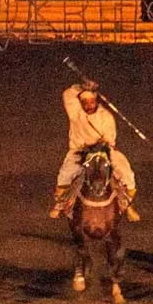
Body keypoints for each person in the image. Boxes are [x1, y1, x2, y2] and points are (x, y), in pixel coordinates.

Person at [50, 81, 140, 222]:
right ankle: (60, 204)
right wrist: (82, 87)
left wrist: (100, 146)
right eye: (85, 102)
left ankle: (127, 205)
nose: (88, 106)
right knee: (65, 174)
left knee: (126, 172)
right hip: (79, 150)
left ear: (96, 101)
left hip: (103, 150)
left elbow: (110, 139)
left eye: (91, 102)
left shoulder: (106, 116)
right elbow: (67, 94)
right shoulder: (75, 112)